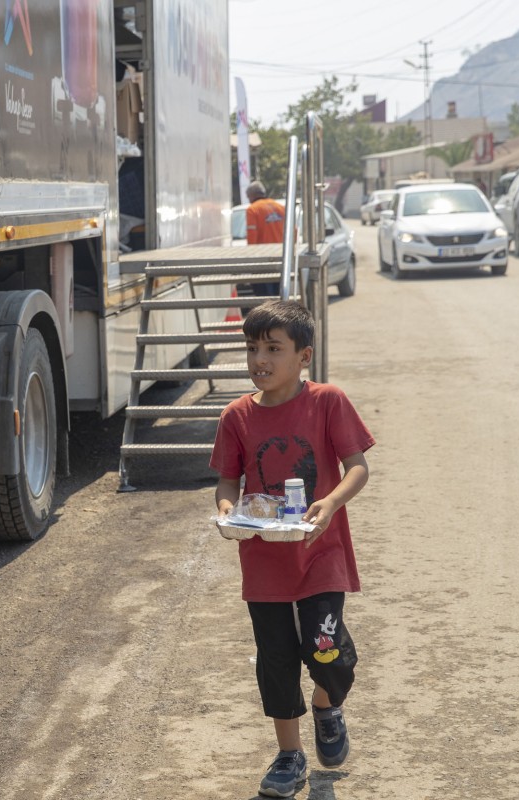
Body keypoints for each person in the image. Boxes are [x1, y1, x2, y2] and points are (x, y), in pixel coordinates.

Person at [209, 300, 373, 798]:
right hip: (263, 560)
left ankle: (327, 706)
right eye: (252, 348)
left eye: (273, 349)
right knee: (275, 659)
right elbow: (227, 479)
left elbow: (358, 467)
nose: (260, 359)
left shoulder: (328, 402)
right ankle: (288, 755)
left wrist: (328, 503)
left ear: (303, 355)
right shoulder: (236, 415)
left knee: (328, 656)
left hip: (321, 554)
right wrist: (226, 513)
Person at [245, 181, 287, 297]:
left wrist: (250, 259)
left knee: (264, 297)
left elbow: (252, 239)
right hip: (280, 258)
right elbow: (293, 232)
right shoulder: (281, 208)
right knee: (279, 295)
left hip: (262, 261)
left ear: (251, 195)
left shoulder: (252, 210)